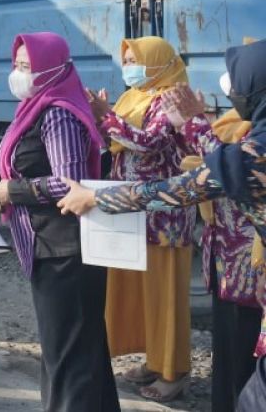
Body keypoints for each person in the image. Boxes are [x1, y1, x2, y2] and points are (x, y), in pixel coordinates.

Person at [57, 38, 266, 412]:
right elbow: (219, 163)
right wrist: (196, 124)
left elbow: (180, 188)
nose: (233, 91)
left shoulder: (254, 158)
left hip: (230, 262)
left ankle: (174, 370)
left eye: (239, 83)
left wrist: (96, 199)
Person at [0, 32, 119, 412]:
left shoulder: (57, 111)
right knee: (80, 352)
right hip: (51, 246)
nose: (18, 73)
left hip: (65, 251)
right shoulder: (35, 107)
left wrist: (13, 191)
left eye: (28, 67)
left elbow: (68, 184)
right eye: (18, 65)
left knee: (69, 358)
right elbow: (29, 164)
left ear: (52, 69)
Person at [86, 37, 199, 401]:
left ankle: (174, 372)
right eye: (127, 59)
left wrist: (106, 114)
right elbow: (116, 143)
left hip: (165, 217)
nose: (130, 65)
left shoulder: (172, 98)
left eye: (136, 59)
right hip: (133, 211)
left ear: (158, 62)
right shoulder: (133, 97)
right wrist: (101, 118)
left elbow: (147, 142)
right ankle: (154, 359)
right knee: (143, 294)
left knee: (166, 297)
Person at [162, 38, 264, 412]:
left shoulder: (256, 133)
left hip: (248, 272)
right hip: (224, 262)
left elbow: (226, 165)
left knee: (244, 363)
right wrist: (197, 125)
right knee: (228, 358)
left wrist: (195, 124)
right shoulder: (233, 122)